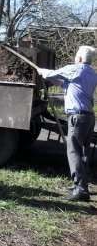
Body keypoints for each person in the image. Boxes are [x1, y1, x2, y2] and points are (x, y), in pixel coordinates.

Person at [38, 45, 97, 202]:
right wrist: (50, 77)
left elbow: (53, 73)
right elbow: (64, 83)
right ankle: (81, 184)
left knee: (73, 152)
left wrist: (43, 72)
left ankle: (81, 190)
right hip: (89, 117)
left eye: (75, 56)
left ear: (79, 58)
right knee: (83, 152)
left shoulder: (75, 69)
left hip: (77, 117)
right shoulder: (91, 73)